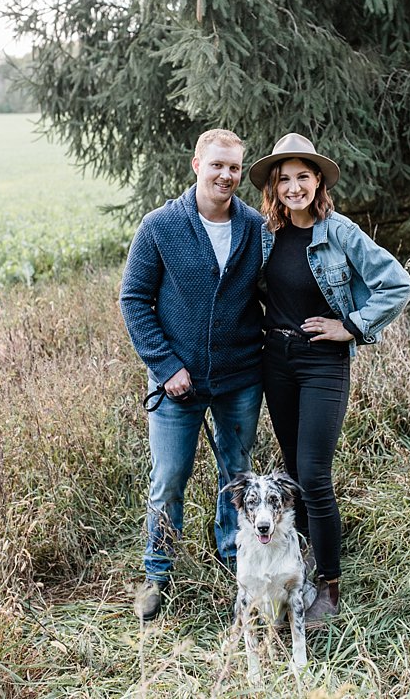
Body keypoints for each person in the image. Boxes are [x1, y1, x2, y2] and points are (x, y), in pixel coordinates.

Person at [249, 132, 410, 622]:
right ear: (274, 187)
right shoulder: (264, 233)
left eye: (303, 176)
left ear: (318, 180)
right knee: (294, 474)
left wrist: (352, 326)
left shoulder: (338, 231)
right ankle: (294, 567)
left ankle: (329, 588)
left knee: (315, 477)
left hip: (321, 362)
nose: (294, 187)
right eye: (285, 179)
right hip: (274, 361)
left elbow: (396, 284)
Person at [120, 128, 265, 621]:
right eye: (218, 165)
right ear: (197, 164)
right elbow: (134, 300)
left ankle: (236, 561)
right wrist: (165, 366)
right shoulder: (160, 225)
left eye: (235, 167)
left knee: (237, 474)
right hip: (175, 384)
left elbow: (272, 294)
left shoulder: (255, 227)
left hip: (240, 378)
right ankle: (156, 574)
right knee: (169, 476)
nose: (227, 175)